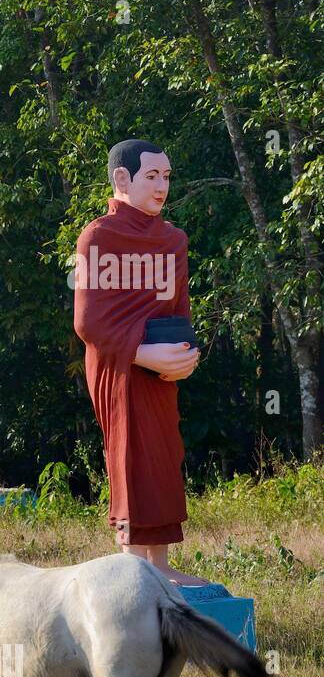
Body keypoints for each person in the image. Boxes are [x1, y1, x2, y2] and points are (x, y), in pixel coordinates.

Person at [73, 139, 208, 585]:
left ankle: (161, 564)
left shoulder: (173, 240)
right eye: (151, 176)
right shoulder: (99, 236)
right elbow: (89, 322)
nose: (161, 186)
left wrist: (186, 355)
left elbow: (179, 311)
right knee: (130, 451)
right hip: (119, 367)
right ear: (121, 179)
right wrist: (140, 351)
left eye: (166, 176)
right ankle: (133, 564)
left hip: (161, 369)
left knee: (164, 453)